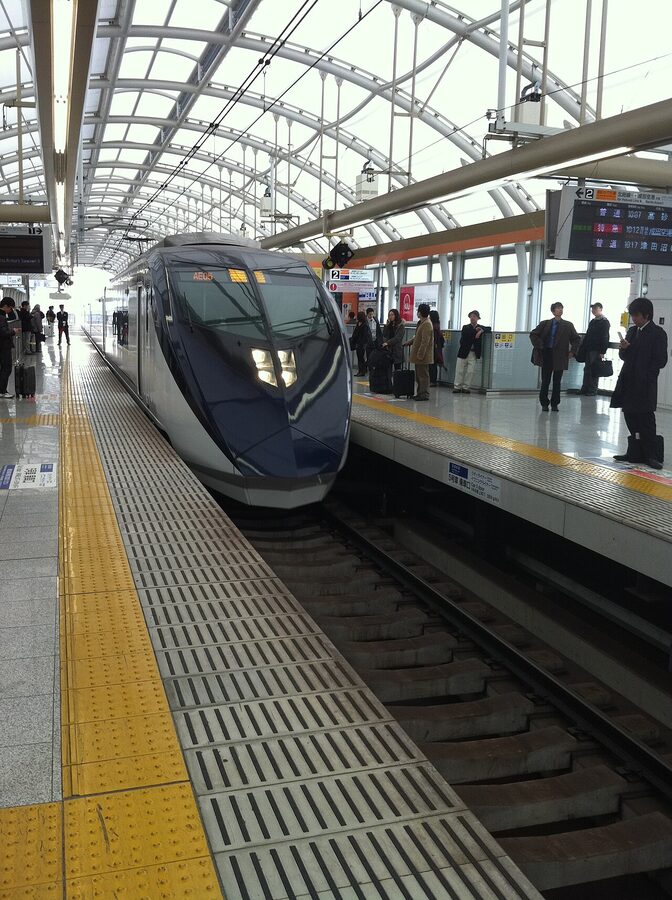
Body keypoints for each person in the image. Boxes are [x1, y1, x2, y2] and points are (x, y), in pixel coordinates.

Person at [611, 296, 668, 469]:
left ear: (646, 315)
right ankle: (634, 451)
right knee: (630, 416)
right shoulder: (632, 331)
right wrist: (624, 349)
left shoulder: (658, 333)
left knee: (646, 419)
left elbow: (660, 360)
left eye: (636, 315)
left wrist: (647, 375)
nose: (634, 319)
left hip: (645, 383)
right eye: (632, 315)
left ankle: (651, 455)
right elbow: (625, 357)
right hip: (628, 381)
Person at [530, 302, 580, 411]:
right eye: (558, 308)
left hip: (561, 356)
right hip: (547, 354)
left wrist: (572, 351)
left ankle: (554, 404)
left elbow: (576, 339)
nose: (560, 310)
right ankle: (544, 403)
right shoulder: (545, 323)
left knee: (557, 381)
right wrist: (540, 345)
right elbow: (533, 334)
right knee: (545, 380)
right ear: (553, 311)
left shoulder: (568, 325)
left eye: (561, 308)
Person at [454, 310, 490, 394]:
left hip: (473, 353)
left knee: (470, 371)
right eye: (471, 316)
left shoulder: (480, 327)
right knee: (459, 370)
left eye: (474, 316)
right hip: (463, 352)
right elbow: (468, 334)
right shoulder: (465, 327)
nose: (472, 318)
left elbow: (489, 328)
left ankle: (466, 387)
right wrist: (477, 332)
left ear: (478, 318)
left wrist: (481, 331)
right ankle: (457, 387)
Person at [577, 302, 610, 395]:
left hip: (596, 349)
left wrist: (602, 351)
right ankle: (585, 388)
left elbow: (605, 337)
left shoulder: (604, 322)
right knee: (587, 369)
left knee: (594, 370)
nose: (593, 310)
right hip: (589, 348)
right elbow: (588, 335)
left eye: (595, 308)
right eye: (592, 309)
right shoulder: (593, 321)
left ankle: (592, 389)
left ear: (600, 309)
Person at [405, 302, 433, 401]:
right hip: (419, 355)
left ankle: (424, 394)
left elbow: (425, 341)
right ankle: (420, 392)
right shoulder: (422, 323)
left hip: (423, 355)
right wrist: (408, 342)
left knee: (423, 375)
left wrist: (420, 355)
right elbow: (417, 337)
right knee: (419, 375)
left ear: (420, 312)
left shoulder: (427, 324)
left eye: (418, 311)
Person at [349, 310, 372, 376]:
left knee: (361, 358)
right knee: (360, 358)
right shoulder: (359, 323)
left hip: (361, 344)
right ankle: (361, 371)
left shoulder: (364, 325)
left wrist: (360, 343)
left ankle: (362, 371)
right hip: (358, 344)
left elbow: (364, 336)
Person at [0, 298, 15, 398]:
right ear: (5, 306)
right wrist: (13, 331)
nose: (11, 310)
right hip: (3, 347)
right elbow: (4, 333)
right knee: (6, 368)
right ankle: (2, 391)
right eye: (10, 308)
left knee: (3, 369)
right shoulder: (1, 317)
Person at [428, 309, 445, 386]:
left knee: (432, 365)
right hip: (437, 348)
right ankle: (432, 380)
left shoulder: (433, 326)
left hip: (433, 348)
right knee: (433, 365)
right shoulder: (437, 325)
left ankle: (432, 381)